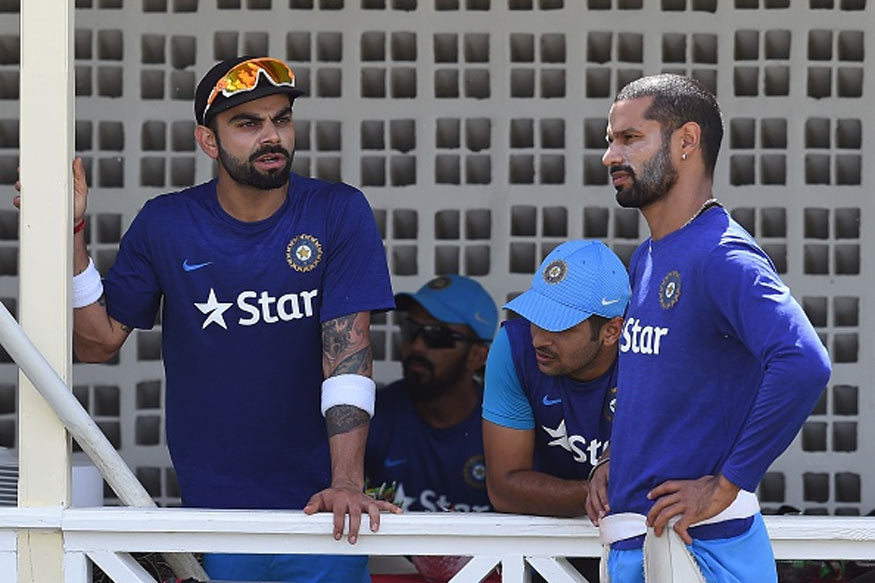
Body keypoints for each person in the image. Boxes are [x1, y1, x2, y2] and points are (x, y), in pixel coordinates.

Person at [53, 56, 400, 583]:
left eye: (281, 119)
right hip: (212, 516)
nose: (271, 136)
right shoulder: (166, 223)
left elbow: (347, 360)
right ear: (208, 141)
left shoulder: (337, 211)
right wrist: (72, 231)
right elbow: (97, 344)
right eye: (247, 123)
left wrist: (347, 484)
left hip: (323, 513)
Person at [590, 74, 832, 583]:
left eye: (630, 139)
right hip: (642, 545)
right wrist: (618, 457)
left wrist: (727, 483)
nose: (610, 157)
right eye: (610, 140)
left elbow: (804, 362)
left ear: (686, 142)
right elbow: (668, 383)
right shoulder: (645, 257)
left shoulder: (722, 255)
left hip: (702, 551)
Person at [482, 240, 630, 581]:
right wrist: (597, 492)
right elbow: (503, 487)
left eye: (560, 326)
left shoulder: (649, 349)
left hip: (646, 544)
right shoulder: (514, 347)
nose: (538, 339)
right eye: (536, 316)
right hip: (546, 550)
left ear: (612, 330)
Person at [365, 274, 498, 583]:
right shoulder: (374, 415)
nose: (417, 345)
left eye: (437, 336)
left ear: (478, 355)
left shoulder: (505, 425)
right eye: (411, 330)